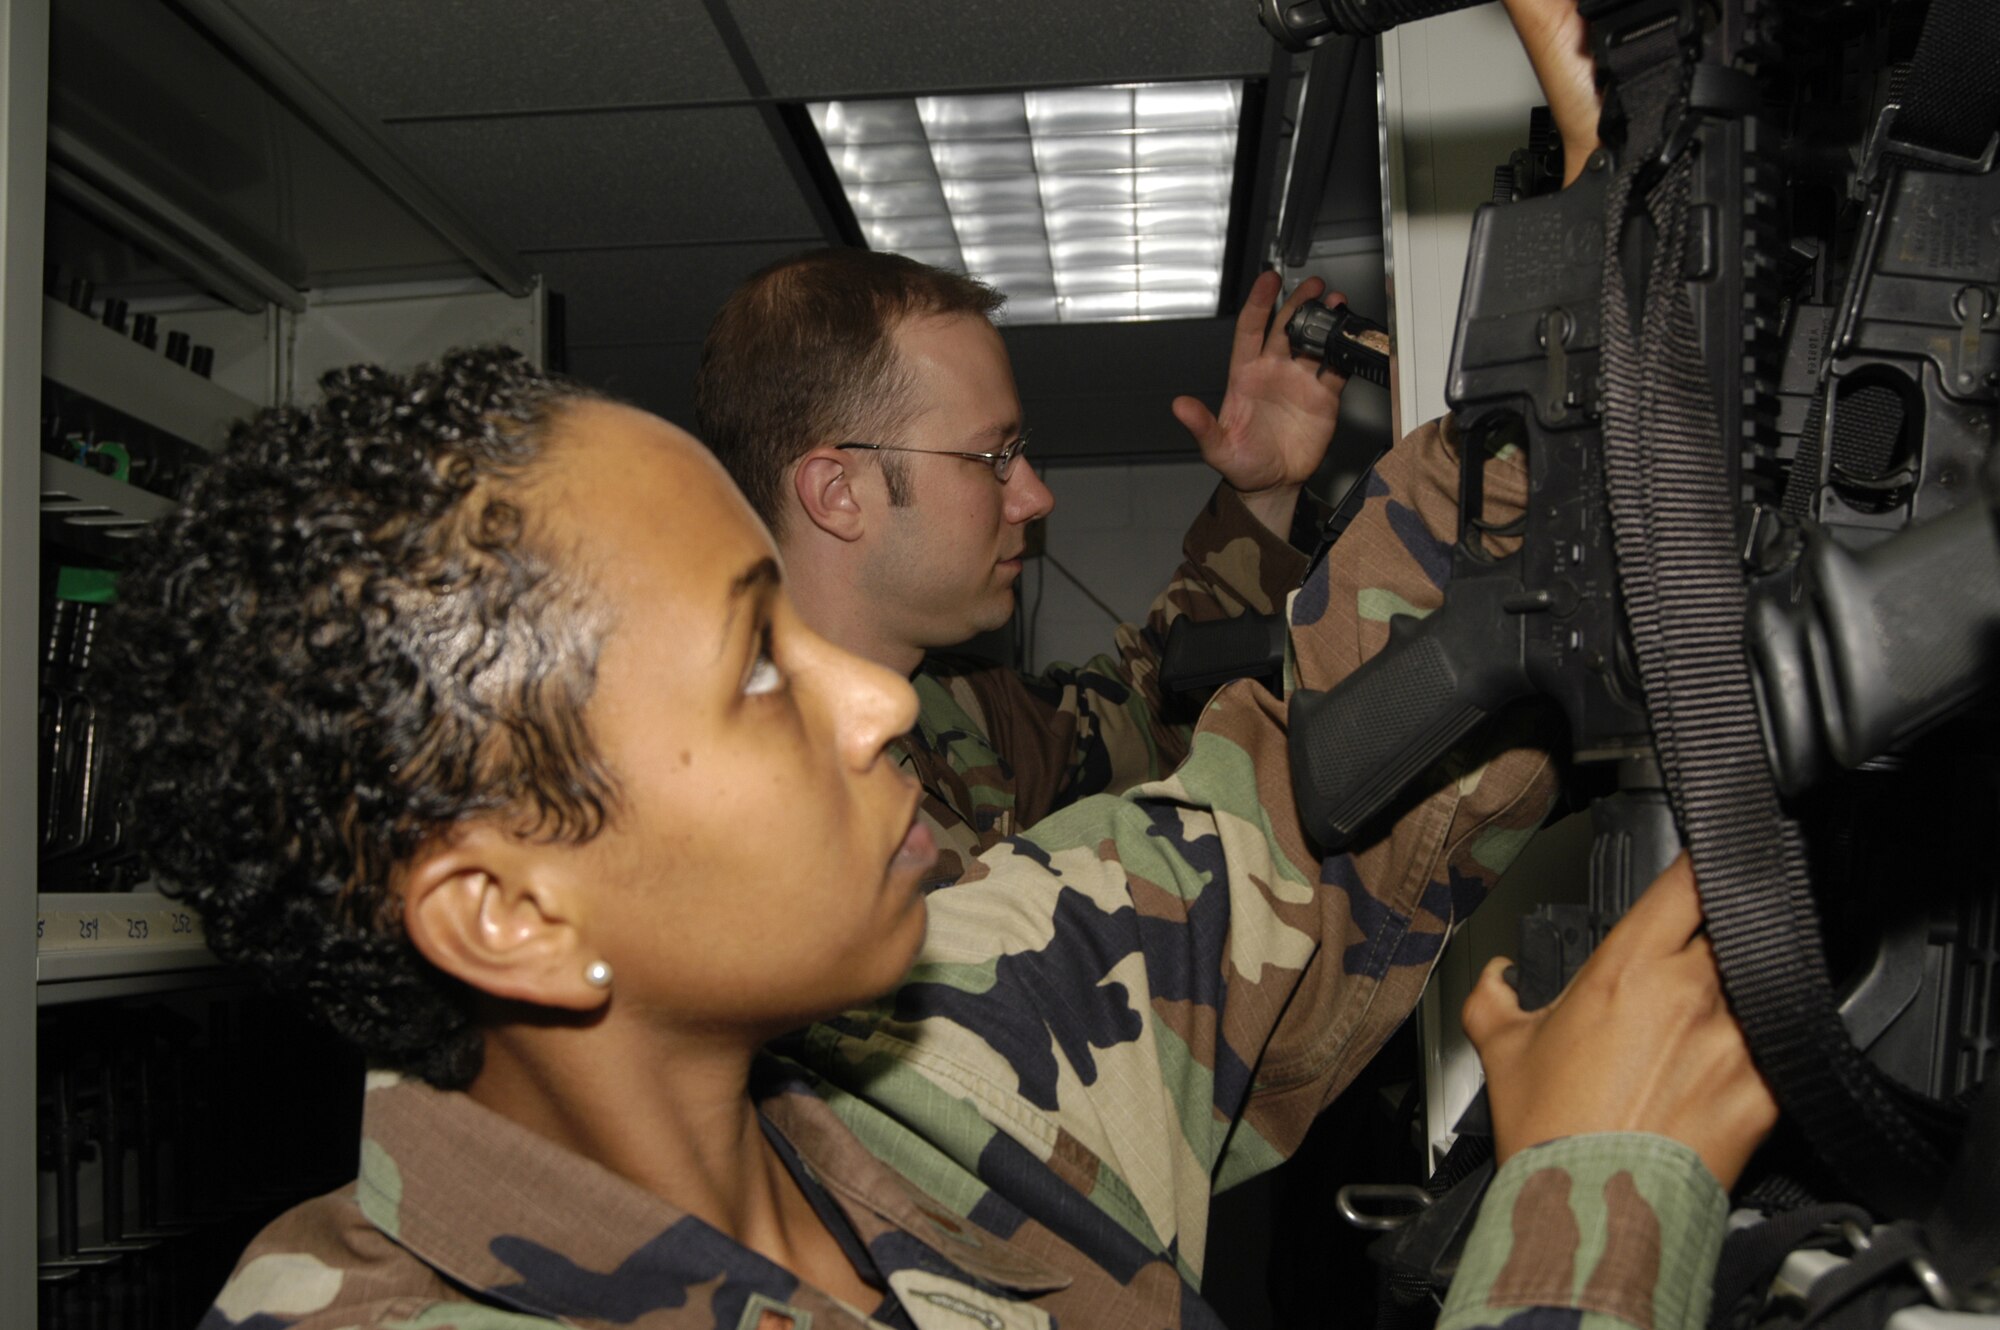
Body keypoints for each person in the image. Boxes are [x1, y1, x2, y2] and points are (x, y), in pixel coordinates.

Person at [113, 349, 1775, 1330]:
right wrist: (1596, 1209)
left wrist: (1598, 253)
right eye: (759, 665)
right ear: (507, 914)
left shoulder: (914, 1076)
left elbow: (1294, 809)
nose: (882, 703)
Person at [695, 253, 1356, 885]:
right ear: (838, 494)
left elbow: (1152, 708)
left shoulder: (949, 711)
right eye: (993, 459)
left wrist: (1262, 498)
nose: (1036, 498)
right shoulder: (730, 797)